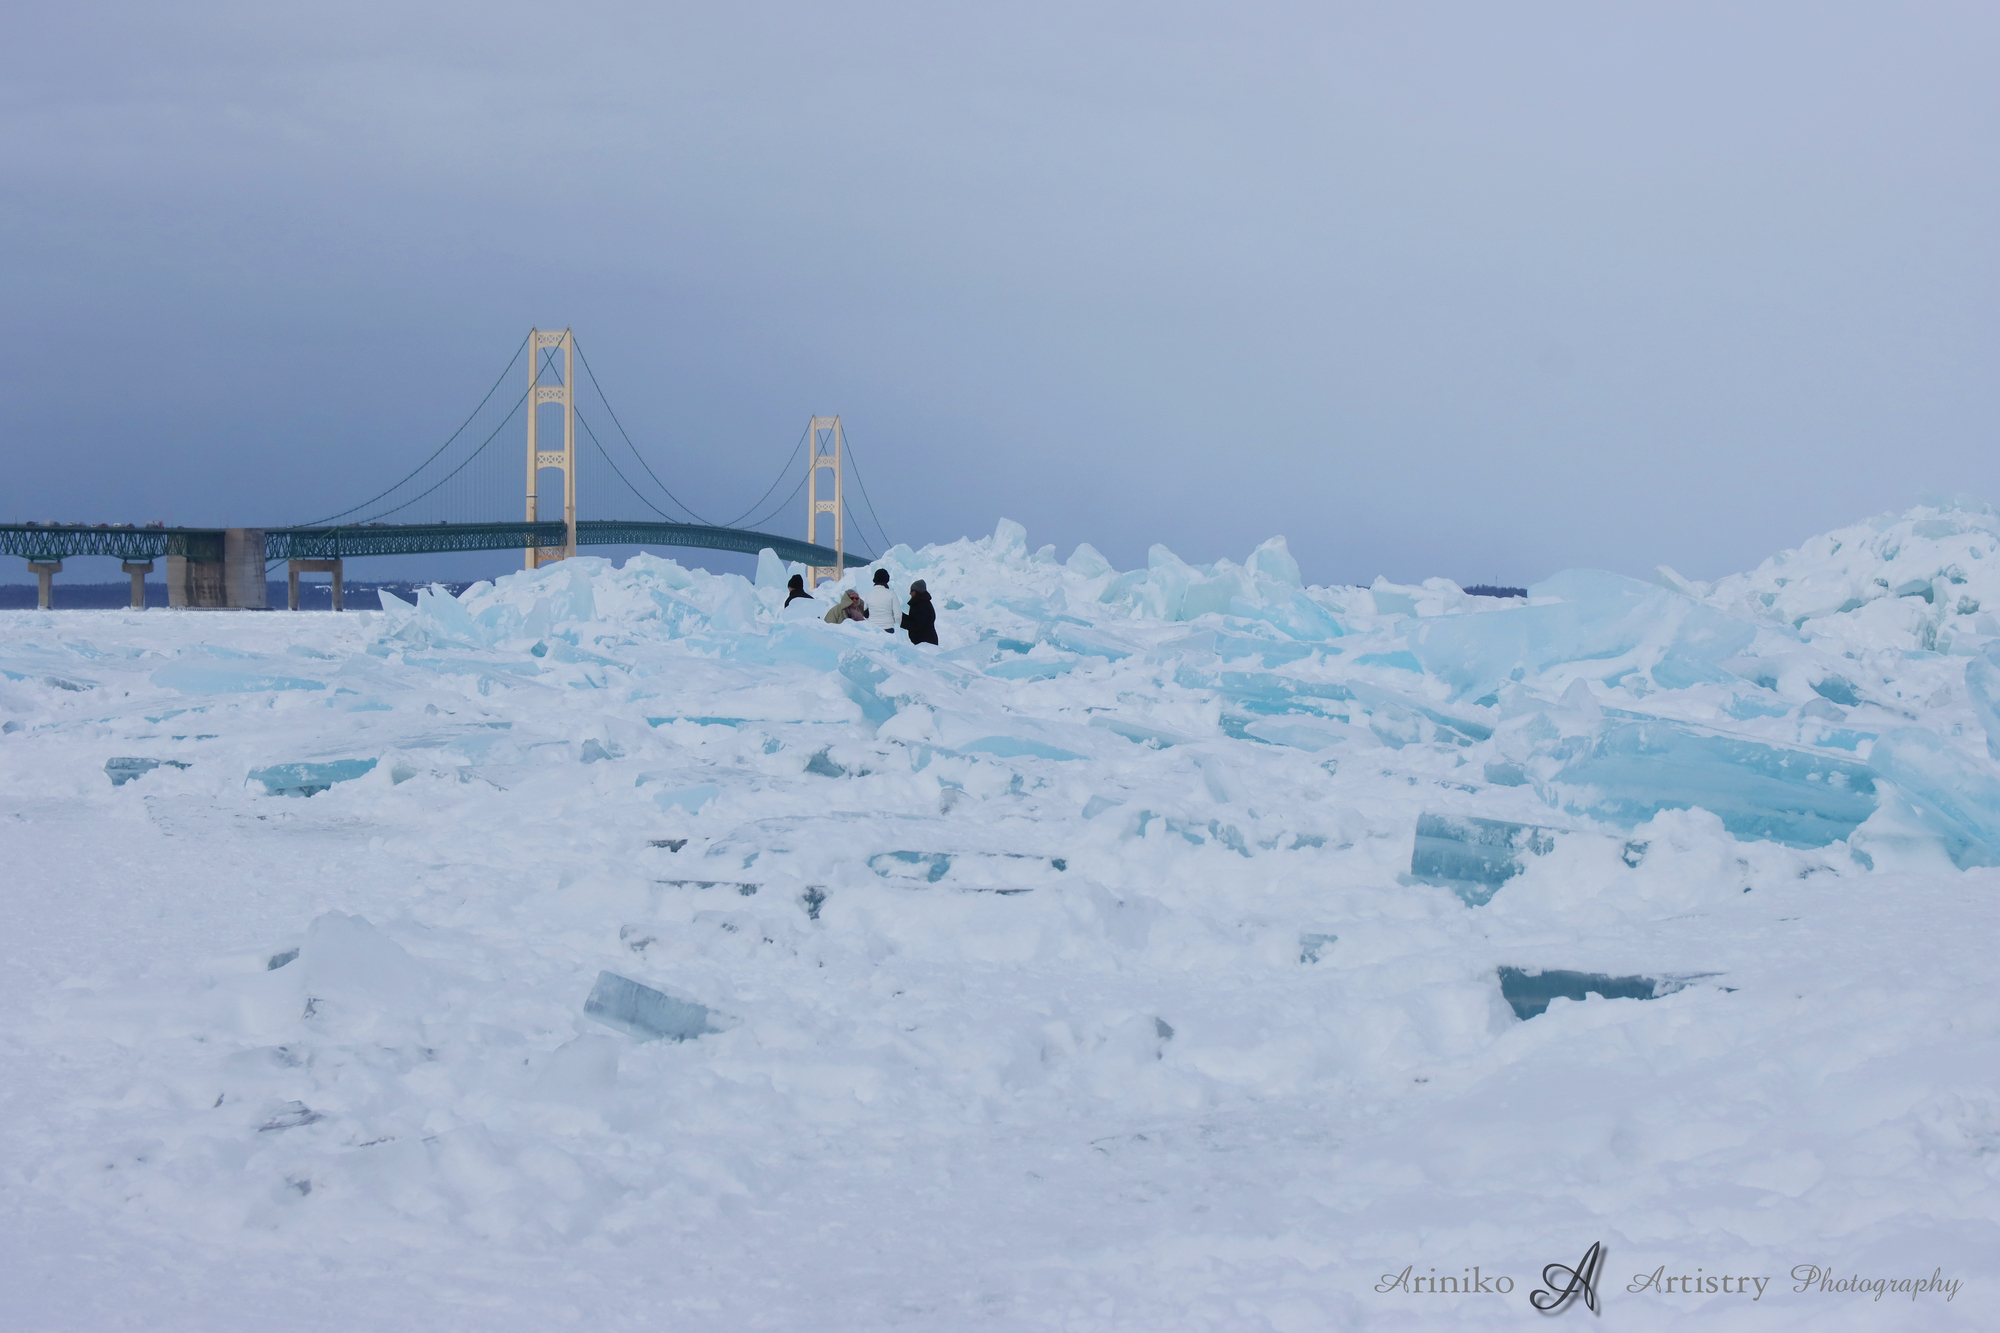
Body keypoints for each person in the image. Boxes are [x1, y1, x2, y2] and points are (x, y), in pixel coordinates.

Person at [901, 579, 938, 645]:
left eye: (912, 591)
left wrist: (899, 622)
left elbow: (916, 626)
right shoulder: (919, 603)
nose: (910, 593)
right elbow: (912, 619)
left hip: (927, 644)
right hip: (922, 642)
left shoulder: (923, 606)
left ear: (917, 592)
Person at [864, 568, 899, 634]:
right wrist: (896, 626)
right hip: (888, 628)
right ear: (887, 580)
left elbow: (865, 614)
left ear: (874, 580)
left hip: (873, 628)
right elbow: (898, 615)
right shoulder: (891, 593)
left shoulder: (868, 595)